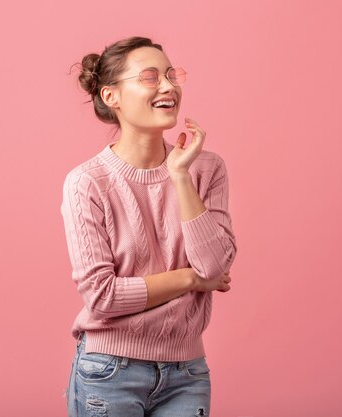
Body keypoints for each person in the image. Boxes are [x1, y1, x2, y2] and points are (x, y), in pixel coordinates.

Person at [60, 36, 237, 417]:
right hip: (109, 370)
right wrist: (191, 280)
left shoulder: (206, 169)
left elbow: (216, 267)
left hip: (188, 370)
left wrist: (180, 176)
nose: (170, 86)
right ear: (112, 97)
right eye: (151, 77)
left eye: (171, 75)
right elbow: (103, 297)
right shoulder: (86, 183)